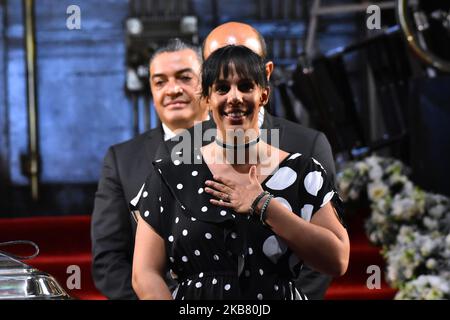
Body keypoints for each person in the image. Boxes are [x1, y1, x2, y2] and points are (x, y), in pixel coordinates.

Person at [132, 45, 349, 300]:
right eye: (222, 88)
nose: (234, 97)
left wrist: (265, 206)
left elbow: (337, 260)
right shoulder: (170, 175)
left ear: (264, 95)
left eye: (246, 86)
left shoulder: (302, 171)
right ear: (207, 99)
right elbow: (145, 274)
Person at [202, 21, 337, 299]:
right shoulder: (181, 152)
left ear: (266, 75)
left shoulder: (307, 146)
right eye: (218, 64)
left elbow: (326, 257)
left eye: (244, 62)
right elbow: (162, 262)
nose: (232, 65)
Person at [91, 39, 208, 299]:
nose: (172, 89)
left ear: (208, 83)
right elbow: (109, 259)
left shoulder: (243, 146)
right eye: (160, 81)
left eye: (185, 78)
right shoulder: (121, 159)